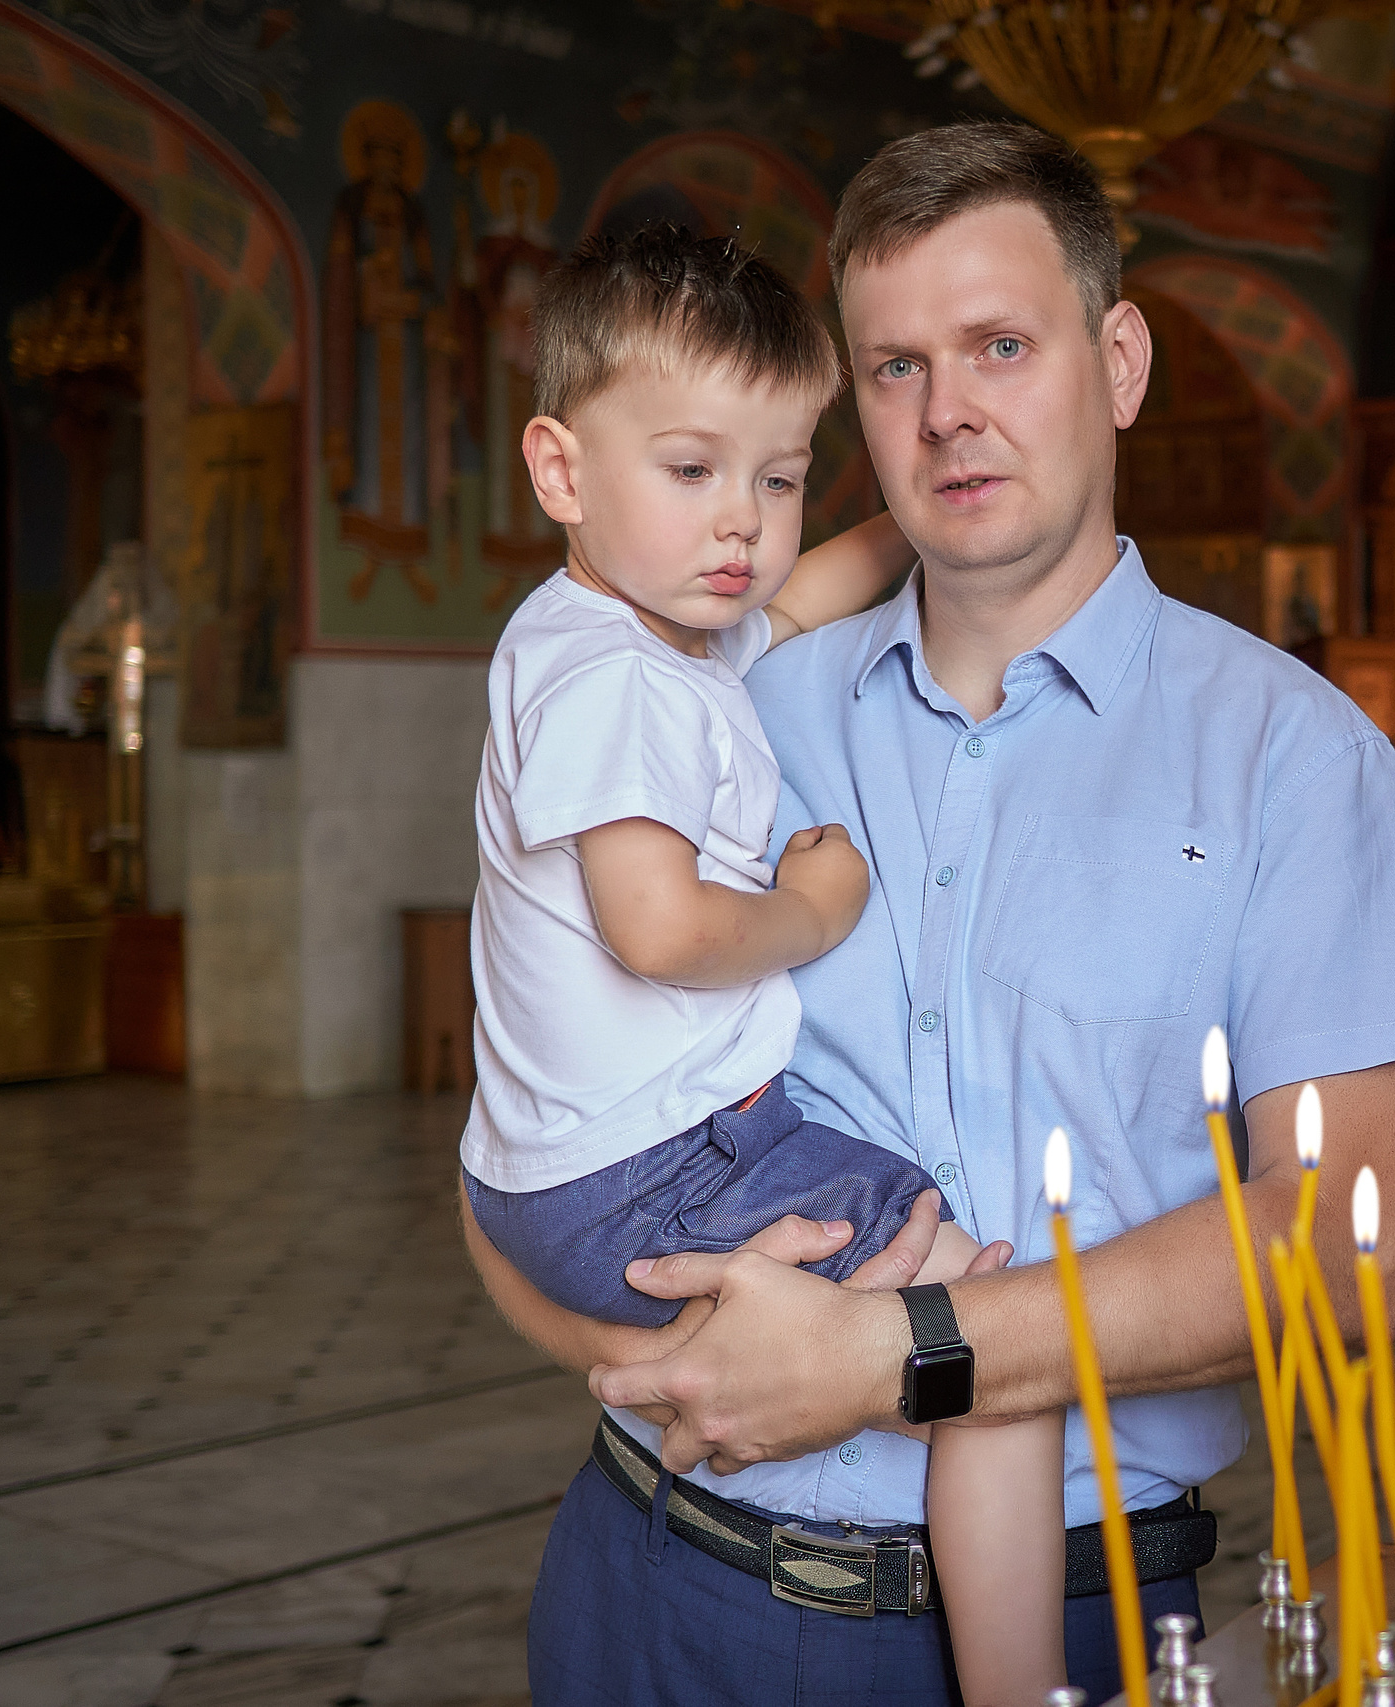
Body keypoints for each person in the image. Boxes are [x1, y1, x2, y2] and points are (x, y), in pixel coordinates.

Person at [462, 122, 1395, 1704]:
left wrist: (896, 1355)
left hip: (1060, 1613)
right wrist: (670, 1365)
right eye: (894, 368)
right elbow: (527, 1129)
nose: (949, 415)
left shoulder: (1297, 762)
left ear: (1119, 360)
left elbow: (1343, 1249)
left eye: (1002, 344)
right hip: (650, 1576)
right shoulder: (722, 705)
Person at [458, 223, 1073, 1704]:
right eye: (692, 472)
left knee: (945, 1329)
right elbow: (658, 929)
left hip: (559, 1160)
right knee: (977, 1334)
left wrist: (924, 520)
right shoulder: (612, 681)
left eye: (780, 478)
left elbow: (801, 597)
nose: (745, 524)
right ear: (561, 472)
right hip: (648, 1170)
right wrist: (817, 911)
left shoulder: (655, 624)